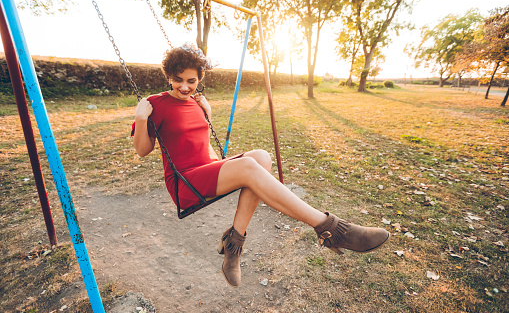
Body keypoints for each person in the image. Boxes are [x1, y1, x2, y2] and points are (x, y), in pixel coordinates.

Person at [132, 43, 389, 288]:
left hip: (206, 172)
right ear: (169, 76)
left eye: (192, 80)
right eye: (178, 80)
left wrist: (208, 118)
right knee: (248, 167)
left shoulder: (197, 103)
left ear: (199, 79)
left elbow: (199, 144)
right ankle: (330, 228)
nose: (185, 87)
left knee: (261, 158)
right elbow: (143, 150)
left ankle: (233, 245)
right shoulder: (155, 105)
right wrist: (141, 118)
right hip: (185, 183)